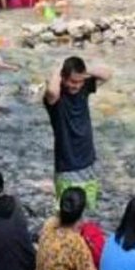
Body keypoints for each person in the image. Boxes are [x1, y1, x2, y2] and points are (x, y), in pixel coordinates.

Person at [44, 54, 111, 209]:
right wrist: (60, 66)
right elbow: (52, 92)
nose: (77, 85)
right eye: (73, 81)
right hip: (67, 164)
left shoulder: (84, 89)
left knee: (88, 208)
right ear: (63, 78)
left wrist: (84, 70)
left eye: (80, 81)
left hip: (89, 160)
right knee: (66, 213)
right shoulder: (56, 98)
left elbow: (107, 74)